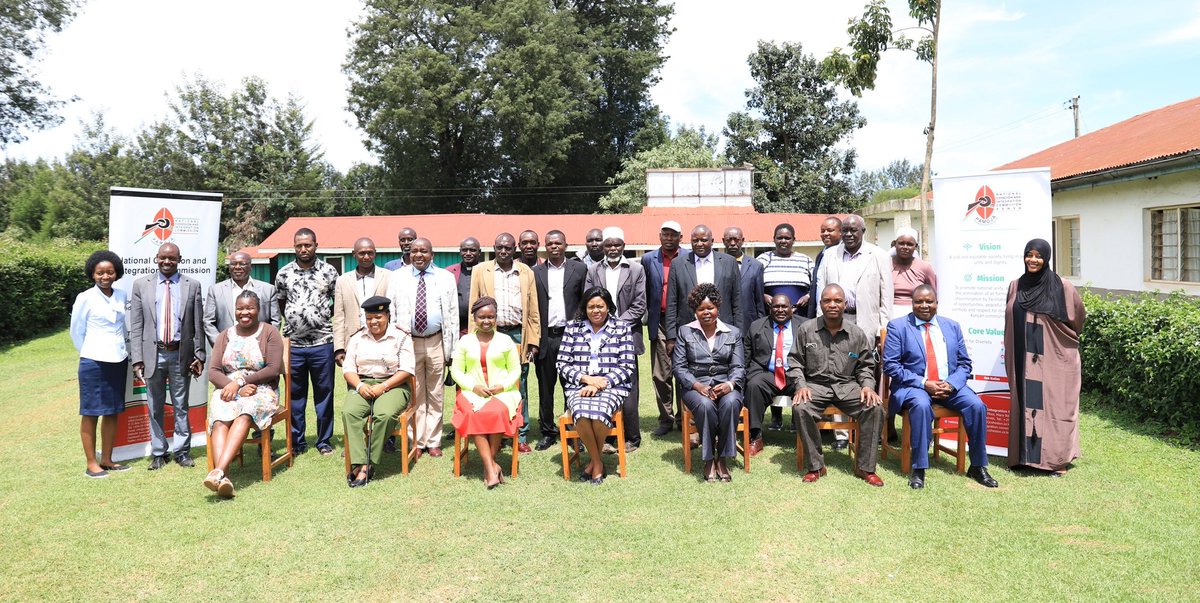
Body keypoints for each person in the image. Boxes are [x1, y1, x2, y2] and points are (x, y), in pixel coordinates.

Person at [882, 285, 998, 489]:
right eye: (919, 301)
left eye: (929, 301)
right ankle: (919, 469)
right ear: (912, 303)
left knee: (977, 406)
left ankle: (978, 466)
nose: (924, 305)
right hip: (914, 386)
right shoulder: (898, 327)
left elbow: (964, 363)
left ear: (937, 303)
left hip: (948, 386)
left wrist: (952, 384)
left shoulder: (952, 326)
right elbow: (891, 365)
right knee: (920, 405)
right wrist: (923, 383)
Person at [1005, 238, 1086, 476]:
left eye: (1038, 256)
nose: (1033, 259)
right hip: (1022, 358)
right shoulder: (1015, 286)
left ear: (1047, 258)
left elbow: (1077, 318)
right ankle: (1024, 458)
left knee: (1053, 407)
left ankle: (1054, 460)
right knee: (1026, 403)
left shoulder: (1062, 286)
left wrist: (1061, 342)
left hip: (1052, 359)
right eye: (1029, 254)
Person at [793, 284, 886, 487]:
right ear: (820, 304)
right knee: (801, 408)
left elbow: (865, 366)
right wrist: (801, 385)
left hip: (848, 385)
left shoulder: (856, 333)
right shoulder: (806, 330)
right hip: (815, 386)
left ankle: (865, 467)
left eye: (837, 301)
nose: (832, 304)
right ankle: (816, 466)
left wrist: (867, 386)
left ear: (845, 304)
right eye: (827, 300)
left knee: (875, 407)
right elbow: (795, 362)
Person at [815, 214, 892, 450]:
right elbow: (821, 288)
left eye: (853, 230)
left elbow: (885, 294)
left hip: (865, 321)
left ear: (863, 231)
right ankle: (840, 435)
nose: (848, 234)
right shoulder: (830, 255)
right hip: (833, 321)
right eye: (845, 230)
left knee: (865, 373)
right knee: (835, 371)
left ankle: (865, 430)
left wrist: (884, 330)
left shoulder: (878, 255)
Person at [130, 242, 205, 470]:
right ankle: (159, 452)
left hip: (180, 355)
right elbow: (136, 325)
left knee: (181, 405)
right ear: (156, 258)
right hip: (153, 355)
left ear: (179, 259)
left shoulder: (192, 285)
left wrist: (199, 355)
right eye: (163, 257)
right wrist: (137, 359)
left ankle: (182, 451)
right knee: (155, 406)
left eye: (171, 258)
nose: (167, 262)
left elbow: (198, 325)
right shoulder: (141, 285)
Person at [203, 290, 285, 498]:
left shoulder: (269, 333)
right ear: (235, 310)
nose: (244, 312)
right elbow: (213, 372)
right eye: (240, 308)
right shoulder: (225, 335)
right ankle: (223, 477)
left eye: (250, 308)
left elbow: (273, 369)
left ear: (258, 309)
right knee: (220, 418)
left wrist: (241, 382)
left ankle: (218, 471)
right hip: (228, 389)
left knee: (245, 413)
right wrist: (235, 387)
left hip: (262, 389)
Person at [556, 287, 637, 485]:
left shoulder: (622, 328)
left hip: (611, 386)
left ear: (608, 306)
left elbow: (627, 366)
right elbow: (562, 363)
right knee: (582, 413)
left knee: (600, 413)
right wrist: (586, 379)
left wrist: (601, 383)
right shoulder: (572, 328)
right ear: (585, 308)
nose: (596, 310)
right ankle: (598, 462)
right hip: (580, 386)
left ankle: (594, 462)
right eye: (591, 307)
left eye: (600, 306)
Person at [469, 233, 540, 453]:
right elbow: (474, 305)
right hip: (490, 333)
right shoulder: (480, 270)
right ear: (494, 247)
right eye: (499, 247)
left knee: (520, 386)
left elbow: (533, 309)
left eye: (508, 248)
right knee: (491, 382)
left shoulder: (526, 271)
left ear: (514, 249)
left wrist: (533, 341)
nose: (503, 251)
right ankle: (494, 433)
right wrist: (475, 339)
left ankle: (521, 434)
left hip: (518, 334)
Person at [390, 237, 458, 458]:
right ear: (409, 254)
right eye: (414, 251)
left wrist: (452, 349)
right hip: (409, 343)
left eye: (424, 251)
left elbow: (453, 315)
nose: (418, 255)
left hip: (436, 340)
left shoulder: (445, 278)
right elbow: (390, 312)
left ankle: (434, 440)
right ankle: (417, 442)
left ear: (432, 255)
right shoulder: (398, 277)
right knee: (415, 393)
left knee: (436, 392)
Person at [274, 228, 339, 456]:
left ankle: (323, 441)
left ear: (316, 245)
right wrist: (296, 319)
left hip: (323, 342)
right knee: (295, 396)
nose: (304, 249)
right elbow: (281, 303)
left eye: (308, 245)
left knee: (325, 393)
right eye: (299, 245)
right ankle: (298, 442)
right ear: (294, 247)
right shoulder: (283, 273)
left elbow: (335, 303)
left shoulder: (329, 271)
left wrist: (318, 318)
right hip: (294, 346)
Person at [672, 283, 746, 483]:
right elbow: (679, 368)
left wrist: (730, 385)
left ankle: (722, 459)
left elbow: (739, 366)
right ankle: (708, 460)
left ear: (718, 307)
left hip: (726, 385)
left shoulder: (733, 332)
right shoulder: (684, 332)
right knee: (705, 405)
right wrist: (698, 386)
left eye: (710, 308)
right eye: (701, 309)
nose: (706, 313)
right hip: (696, 386)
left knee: (730, 403)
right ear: (695, 311)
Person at [341, 296, 415, 487]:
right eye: (369, 317)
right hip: (363, 384)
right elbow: (348, 369)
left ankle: (368, 464)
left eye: (378, 317)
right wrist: (359, 386)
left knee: (384, 414)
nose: (373, 322)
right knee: (350, 412)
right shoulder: (357, 337)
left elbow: (407, 370)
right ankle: (357, 461)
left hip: (393, 385)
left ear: (388, 316)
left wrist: (383, 386)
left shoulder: (402, 336)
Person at [451, 297, 524, 488]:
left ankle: (489, 467)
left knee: (496, 412)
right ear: (474, 318)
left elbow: (516, 370)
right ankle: (492, 467)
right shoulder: (465, 341)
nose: (486, 321)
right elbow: (456, 371)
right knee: (474, 412)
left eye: (491, 317)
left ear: (496, 318)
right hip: (471, 391)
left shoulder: (506, 340)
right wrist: (473, 387)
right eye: (482, 317)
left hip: (502, 391)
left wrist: (503, 386)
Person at [584, 226, 647, 452]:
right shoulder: (592, 270)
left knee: (629, 388)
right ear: (603, 246)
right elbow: (589, 301)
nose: (612, 248)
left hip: (627, 335)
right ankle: (608, 436)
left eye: (616, 245)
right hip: (598, 336)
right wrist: (602, 325)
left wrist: (616, 325)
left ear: (623, 246)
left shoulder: (636, 269)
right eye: (608, 245)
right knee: (604, 384)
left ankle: (632, 437)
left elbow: (640, 304)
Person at [71, 250, 130, 478]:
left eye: (109, 272)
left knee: (112, 411)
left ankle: (107, 458)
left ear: (116, 273)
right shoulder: (85, 297)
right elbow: (77, 331)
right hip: (93, 361)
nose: (105, 276)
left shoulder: (121, 295)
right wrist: (89, 352)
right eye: (100, 273)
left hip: (118, 359)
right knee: (91, 412)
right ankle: (91, 463)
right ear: (92, 274)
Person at [532, 230, 588, 451]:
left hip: (571, 336)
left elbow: (585, 302)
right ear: (544, 247)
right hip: (546, 337)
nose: (554, 246)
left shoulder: (580, 269)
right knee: (546, 387)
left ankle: (573, 430)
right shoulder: (535, 272)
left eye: (558, 243)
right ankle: (548, 431)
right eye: (550, 244)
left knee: (572, 386)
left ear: (566, 244)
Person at [743, 294, 806, 457]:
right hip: (767, 373)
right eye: (776, 307)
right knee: (754, 385)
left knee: (807, 387)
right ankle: (755, 437)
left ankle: (806, 437)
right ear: (770, 308)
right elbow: (746, 357)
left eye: (784, 306)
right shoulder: (757, 326)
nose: (780, 310)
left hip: (795, 373)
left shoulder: (805, 326)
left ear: (791, 308)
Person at [665, 224, 741, 345]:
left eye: (704, 240)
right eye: (695, 240)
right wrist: (671, 337)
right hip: (689, 330)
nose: (699, 244)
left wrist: (738, 332)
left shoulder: (729, 262)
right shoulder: (678, 264)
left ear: (712, 241)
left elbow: (737, 301)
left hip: (723, 329)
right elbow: (672, 302)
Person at [643, 220, 683, 436]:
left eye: (673, 235)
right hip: (659, 320)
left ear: (680, 237)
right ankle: (666, 419)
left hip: (683, 321)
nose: (669, 238)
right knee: (661, 373)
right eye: (665, 234)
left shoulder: (688, 257)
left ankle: (684, 418)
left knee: (684, 372)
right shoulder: (649, 259)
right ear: (660, 236)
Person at [334, 238, 392, 367]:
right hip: (353, 341)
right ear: (354, 254)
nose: (366, 257)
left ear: (375, 253)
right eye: (362, 253)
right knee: (355, 383)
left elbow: (393, 311)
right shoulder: (343, 280)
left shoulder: (388, 276)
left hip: (383, 339)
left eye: (370, 253)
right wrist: (339, 348)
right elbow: (339, 316)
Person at [203, 251, 278, 348]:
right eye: (233, 264)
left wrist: (265, 344)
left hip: (259, 349)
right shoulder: (215, 290)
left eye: (242, 264)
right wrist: (221, 345)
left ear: (250, 267)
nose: (237, 267)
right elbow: (208, 322)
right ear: (229, 268)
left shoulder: (268, 289)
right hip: (226, 349)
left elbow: (275, 321)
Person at [757, 223, 815, 315]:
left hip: (800, 314)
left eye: (787, 238)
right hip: (770, 314)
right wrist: (762, 295)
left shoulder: (805, 260)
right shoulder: (763, 259)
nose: (783, 241)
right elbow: (751, 284)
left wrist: (808, 296)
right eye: (779, 238)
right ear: (774, 239)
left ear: (793, 240)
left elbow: (817, 284)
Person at [722, 226, 766, 334]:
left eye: (736, 239)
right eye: (729, 240)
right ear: (723, 241)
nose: (732, 243)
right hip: (723, 323)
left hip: (749, 324)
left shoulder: (756, 266)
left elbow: (759, 301)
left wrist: (761, 325)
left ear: (742, 240)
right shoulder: (716, 264)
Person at [890, 227, 938, 320]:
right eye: (901, 243)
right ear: (894, 244)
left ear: (915, 246)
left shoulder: (925, 267)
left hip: (917, 315)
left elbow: (933, 295)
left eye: (909, 244)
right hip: (888, 313)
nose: (905, 247)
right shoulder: (884, 265)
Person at [446, 237, 482, 338]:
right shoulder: (449, 272)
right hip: (457, 328)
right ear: (460, 252)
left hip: (480, 328)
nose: (468, 253)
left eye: (472, 250)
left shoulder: (485, 272)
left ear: (479, 252)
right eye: (465, 250)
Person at [807, 216, 842, 319]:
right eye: (823, 231)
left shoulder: (843, 255)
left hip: (835, 312)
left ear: (841, 232)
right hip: (820, 312)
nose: (825, 234)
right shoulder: (821, 254)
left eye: (830, 230)